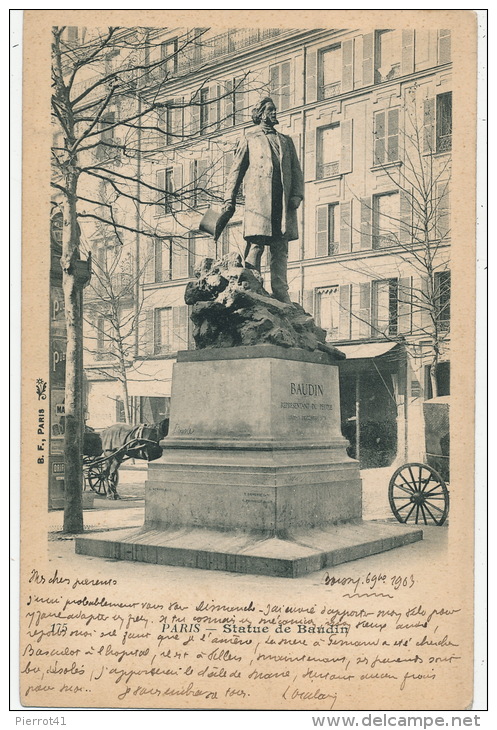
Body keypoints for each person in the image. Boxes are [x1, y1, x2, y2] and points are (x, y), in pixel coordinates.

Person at [223, 97, 304, 303]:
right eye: (270, 110)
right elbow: (236, 171)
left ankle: (280, 290)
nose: (274, 113)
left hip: (282, 201)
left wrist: (296, 194)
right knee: (256, 243)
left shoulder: (286, 140)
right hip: (259, 202)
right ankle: (252, 284)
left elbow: (296, 170)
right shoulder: (250, 138)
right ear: (260, 114)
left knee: (280, 248)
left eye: (275, 110)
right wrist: (228, 199)